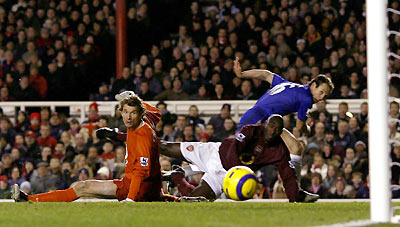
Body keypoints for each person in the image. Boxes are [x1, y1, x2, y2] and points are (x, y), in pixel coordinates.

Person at [12, 93, 166, 202]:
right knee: (82, 187)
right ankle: (29, 199)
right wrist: (132, 98)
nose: (128, 117)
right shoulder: (146, 120)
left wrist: (131, 199)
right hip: (139, 185)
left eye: (133, 113)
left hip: (135, 187)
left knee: (82, 187)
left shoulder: (142, 136)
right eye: (125, 112)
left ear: (140, 113)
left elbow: (140, 171)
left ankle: (30, 199)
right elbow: (156, 112)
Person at [159, 115, 317, 202]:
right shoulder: (250, 130)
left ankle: (177, 177)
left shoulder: (279, 150)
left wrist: (294, 197)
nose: (273, 130)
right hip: (214, 153)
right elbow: (234, 150)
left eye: (277, 129)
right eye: (271, 125)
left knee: (193, 202)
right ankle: (138, 139)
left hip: (224, 176)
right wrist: (237, 171)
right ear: (265, 124)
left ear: (281, 131)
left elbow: (287, 175)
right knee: (165, 147)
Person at [233, 57, 334, 134]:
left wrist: (241, 74)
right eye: (321, 92)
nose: (321, 98)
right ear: (313, 85)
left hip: (258, 118)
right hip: (259, 120)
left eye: (325, 96)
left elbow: (265, 74)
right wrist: (307, 129)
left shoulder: (287, 84)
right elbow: (299, 127)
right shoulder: (306, 99)